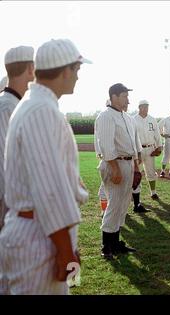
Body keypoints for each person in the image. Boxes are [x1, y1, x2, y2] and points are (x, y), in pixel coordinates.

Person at [0, 39, 90, 294]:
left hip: (39, 232)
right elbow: (48, 188)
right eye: (76, 70)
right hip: (39, 236)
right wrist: (65, 250)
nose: (77, 77)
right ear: (64, 70)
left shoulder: (34, 105)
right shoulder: (41, 110)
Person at [94, 83, 142, 259]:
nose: (127, 99)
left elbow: (133, 146)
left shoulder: (127, 117)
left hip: (127, 163)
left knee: (122, 205)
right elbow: (106, 147)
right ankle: (106, 246)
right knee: (114, 204)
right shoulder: (106, 116)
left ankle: (116, 242)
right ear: (114, 96)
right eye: (124, 95)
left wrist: (136, 167)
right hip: (115, 164)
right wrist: (115, 169)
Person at [0, 45, 35, 231]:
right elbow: (5, 161)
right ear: (30, 69)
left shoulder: (15, 104)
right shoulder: (7, 106)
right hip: (9, 202)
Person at [132, 99, 162, 205]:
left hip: (150, 149)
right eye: (143, 106)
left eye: (147, 106)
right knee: (136, 173)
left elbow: (157, 134)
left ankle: (153, 192)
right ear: (139, 107)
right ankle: (134, 194)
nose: (145, 108)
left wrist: (159, 147)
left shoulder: (152, 119)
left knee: (151, 171)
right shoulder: (133, 119)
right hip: (138, 150)